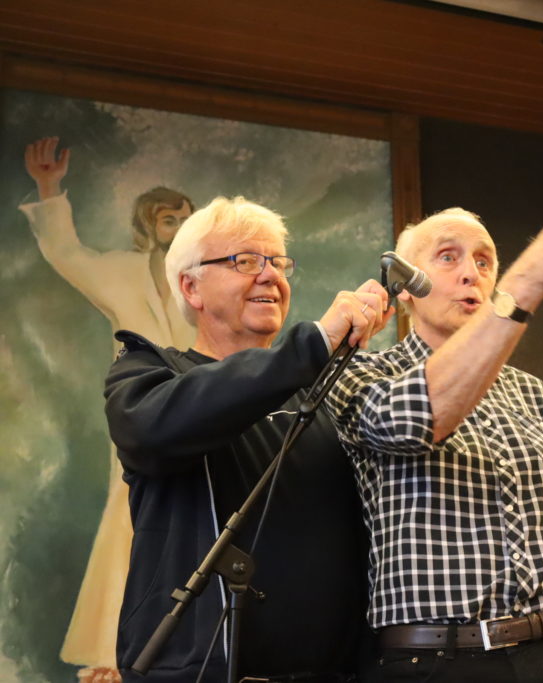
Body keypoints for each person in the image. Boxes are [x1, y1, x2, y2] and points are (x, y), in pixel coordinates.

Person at [323, 180, 543, 683]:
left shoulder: (533, 391)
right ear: (404, 285)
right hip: (442, 660)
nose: (472, 272)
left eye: (485, 261)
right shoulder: (362, 374)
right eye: (448, 257)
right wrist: (527, 284)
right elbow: (413, 421)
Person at [103, 196, 391, 682]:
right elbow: (152, 430)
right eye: (245, 261)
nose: (271, 276)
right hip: (200, 672)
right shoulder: (148, 373)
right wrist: (314, 344)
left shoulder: (321, 389)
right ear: (191, 288)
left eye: (279, 263)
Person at [20, 136, 196, 681]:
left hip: (200, 411)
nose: (180, 232)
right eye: (170, 222)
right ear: (149, 227)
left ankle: (189, 642)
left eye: (188, 222)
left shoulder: (205, 280)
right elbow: (66, 253)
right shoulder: (119, 271)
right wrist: (49, 187)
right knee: (126, 519)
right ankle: (110, 649)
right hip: (139, 415)